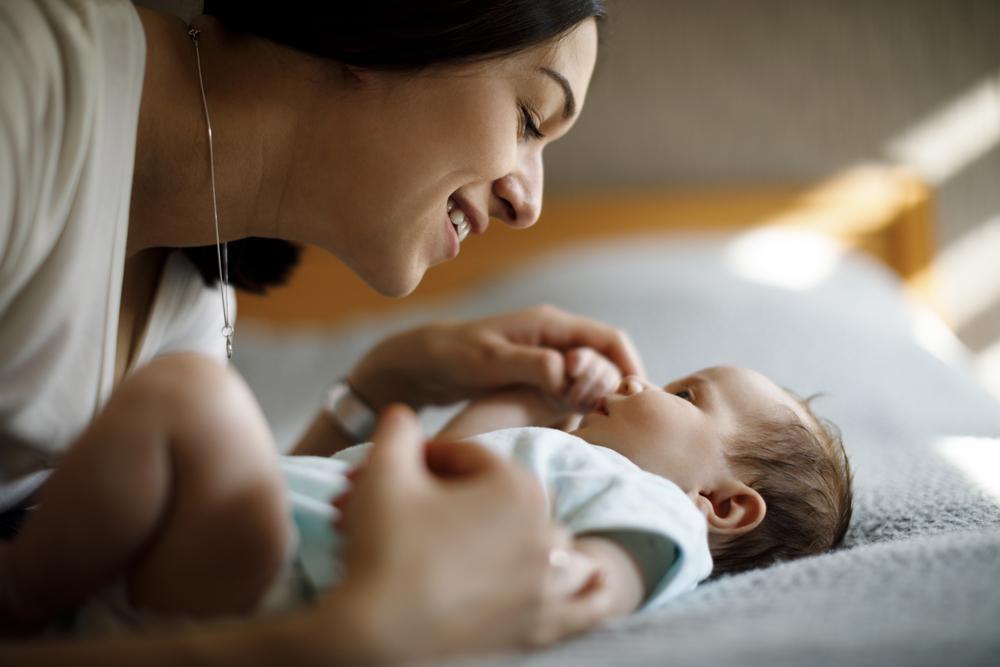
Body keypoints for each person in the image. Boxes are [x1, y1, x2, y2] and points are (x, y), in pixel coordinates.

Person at [0, 0, 656, 663]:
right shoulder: (23, 91)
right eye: (529, 118)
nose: (529, 203)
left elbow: (247, 549)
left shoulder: (197, 279)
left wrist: (383, 383)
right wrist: (336, 642)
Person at [0, 349, 852, 636]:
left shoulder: (652, 503)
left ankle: (19, 591)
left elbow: (617, 563)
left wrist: (584, 580)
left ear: (725, 503)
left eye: (685, 392)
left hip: (267, 573)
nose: (643, 385)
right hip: (233, 559)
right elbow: (461, 454)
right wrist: (532, 385)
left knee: (194, 397)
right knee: (182, 407)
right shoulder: (564, 462)